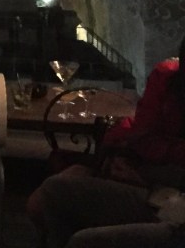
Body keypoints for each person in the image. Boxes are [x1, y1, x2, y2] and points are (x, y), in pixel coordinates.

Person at [29, 35, 185, 247]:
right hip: (153, 185)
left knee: (82, 242)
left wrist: (158, 157)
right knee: (53, 190)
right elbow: (143, 138)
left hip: (171, 201)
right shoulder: (166, 76)